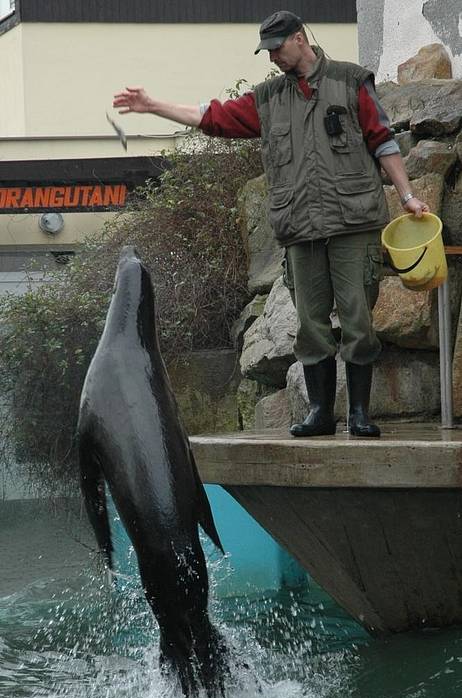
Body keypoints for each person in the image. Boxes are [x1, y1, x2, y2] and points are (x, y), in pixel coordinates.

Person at [113, 10, 429, 439]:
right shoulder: (268, 99)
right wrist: (153, 106)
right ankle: (320, 412)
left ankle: (359, 414)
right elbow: (213, 116)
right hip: (300, 228)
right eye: (268, 50)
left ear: (300, 38)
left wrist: (408, 196)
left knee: (358, 320)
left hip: (354, 224)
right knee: (311, 326)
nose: (272, 58)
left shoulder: (352, 80)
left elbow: (383, 140)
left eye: (277, 48)